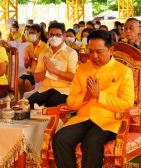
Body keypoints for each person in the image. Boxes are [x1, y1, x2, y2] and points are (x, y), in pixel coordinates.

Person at [52, 30, 134, 168]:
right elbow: (71, 102)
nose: (94, 56)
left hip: (109, 121)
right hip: (83, 119)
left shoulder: (124, 71)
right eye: (91, 51)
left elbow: (126, 104)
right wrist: (86, 97)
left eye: (99, 51)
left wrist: (99, 96)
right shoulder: (82, 69)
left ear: (111, 50)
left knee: (91, 141)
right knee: (60, 138)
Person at [28, 22, 78, 109]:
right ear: (48, 36)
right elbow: (36, 78)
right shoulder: (44, 53)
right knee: (28, 105)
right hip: (46, 88)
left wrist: (55, 71)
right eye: (51, 35)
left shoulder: (70, 53)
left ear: (64, 36)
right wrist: (47, 71)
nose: (54, 38)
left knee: (50, 106)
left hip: (64, 90)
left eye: (58, 35)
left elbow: (73, 77)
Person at [17, 24, 49, 97]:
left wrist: (34, 57)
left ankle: (30, 100)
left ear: (39, 34)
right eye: (30, 33)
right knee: (19, 80)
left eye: (33, 33)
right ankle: (22, 99)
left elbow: (45, 64)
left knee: (27, 82)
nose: (31, 35)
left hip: (40, 72)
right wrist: (30, 59)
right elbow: (26, 65)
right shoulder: (29, 47)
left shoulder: (45, 46)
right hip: (30, 72)